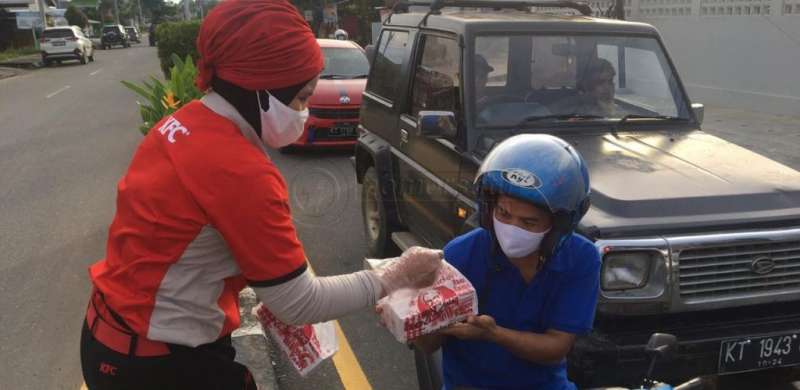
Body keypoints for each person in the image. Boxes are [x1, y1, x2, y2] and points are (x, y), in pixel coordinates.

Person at [79, 1, 442, 389]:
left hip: (112, 333)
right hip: (160, 362)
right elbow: (299, 302)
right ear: (259, 87)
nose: (303, 114)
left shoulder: (182, 123)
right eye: (302, 98)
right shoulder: (239, 170)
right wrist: (395, 275)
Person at [413, 134, 601, 390]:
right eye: (503, 213)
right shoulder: (461, 254)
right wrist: (416, 313)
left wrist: (494, 334)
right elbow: (428, 346)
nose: (512, 228)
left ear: (558, 225)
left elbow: (557, 347)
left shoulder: (580, 259)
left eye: (529, 222)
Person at [552, 57, 617, 117]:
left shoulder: (623, 113)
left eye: (610, 81)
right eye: (600, 82)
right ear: (587, 85)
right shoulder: (572, 110)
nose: (607, 87)